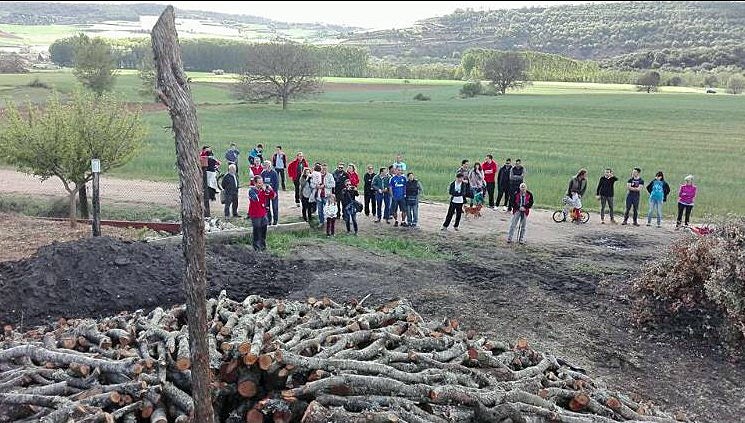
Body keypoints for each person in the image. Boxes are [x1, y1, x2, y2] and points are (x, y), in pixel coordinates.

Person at [247, 175, 275, 251]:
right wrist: (261, 191)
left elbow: (272, 196)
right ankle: (256, 247)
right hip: (255, 214)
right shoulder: (251, 191)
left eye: (262, 182)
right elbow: (256, 199)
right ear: (255, 183)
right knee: (256, 230)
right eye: (259, 183)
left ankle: (263, 246)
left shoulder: (263, 190)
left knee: (264, 229)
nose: (261, 184)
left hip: (263, 213)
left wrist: (270, 189)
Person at [261, 160, 280, 225]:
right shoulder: (263, 173)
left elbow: (277, 183)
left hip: (273, 192)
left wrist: (274, 192)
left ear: (269, 165)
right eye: (264, 165)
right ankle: (269, 220)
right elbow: (261, 182)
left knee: (275, 207)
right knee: (267, 207)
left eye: (266, 165)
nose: (265, 166)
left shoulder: (274, 173)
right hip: (266, 193)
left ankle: (275, 220)